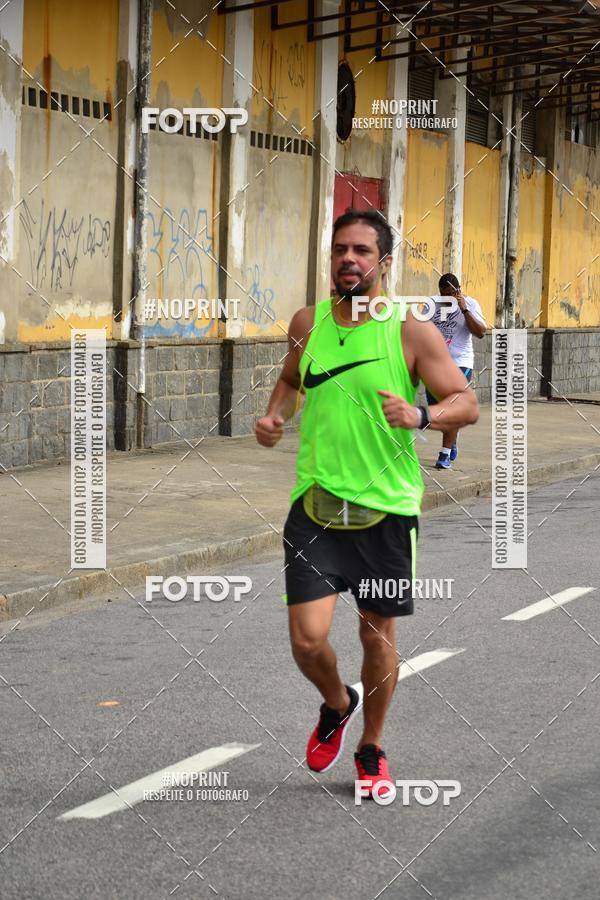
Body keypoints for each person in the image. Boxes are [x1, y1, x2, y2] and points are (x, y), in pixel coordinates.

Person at [255, 210, 479, 798]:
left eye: (360, 250)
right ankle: (337, 702)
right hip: (316, 506)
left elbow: (467, 401)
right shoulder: (307, 322)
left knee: (376, 639)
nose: (347, 259)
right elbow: (291, 377)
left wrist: (423, 415)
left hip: (385, 510)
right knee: (306, 640)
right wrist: (277, 414)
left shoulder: (408, 330)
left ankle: (371, 746)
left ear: (382, 262)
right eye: (339, 250)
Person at [427, 273, 486, 469]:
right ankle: (454, 435)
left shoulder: (471, 304)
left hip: (461, 363)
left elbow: (480, 333)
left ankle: (444, 455)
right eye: (444, 295)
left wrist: (464, 309)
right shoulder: (433, 305)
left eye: (451, 295)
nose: (447, 299)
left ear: (458, 290)